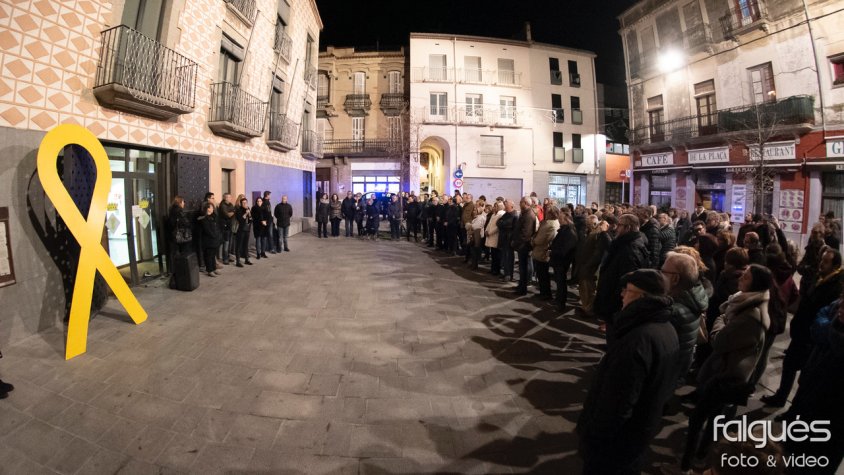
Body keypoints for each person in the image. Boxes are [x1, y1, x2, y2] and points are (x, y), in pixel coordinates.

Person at [577, 269, 680, 474]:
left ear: (643, 297)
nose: (622, 294)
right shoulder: (666, 327)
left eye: (628, 290)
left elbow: (618, 403)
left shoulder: (637, 341)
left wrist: (594, 437)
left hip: (616, 443)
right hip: (640, 432)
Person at [682, 265, 772, 471]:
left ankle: (688, 463)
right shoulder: (743, 301)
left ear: (755, 283)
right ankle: (699, 455)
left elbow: (720, 341)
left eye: (746, 276)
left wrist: (720, 320)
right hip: (723, 370)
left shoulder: (750, 315)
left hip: (724, 375)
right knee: (713, 418)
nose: (741, 277)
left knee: (701, 420)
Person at [762, 248, 843, 408]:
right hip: (802, 332)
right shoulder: (821, 277)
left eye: (826, 261)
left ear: (835, 265)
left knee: (805, 375)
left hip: (812, 336)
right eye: (822, 259)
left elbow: (824, 313)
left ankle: (793, 409)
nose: (821, 263)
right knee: (790, 366)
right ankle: (781, 397)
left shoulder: (835, 286)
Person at [781, 295, 844, 474]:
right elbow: (817, 324)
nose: (840, 307)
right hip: (808, 399)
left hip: (830, 421)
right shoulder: (835, 315)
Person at [594, 213, 650, 336]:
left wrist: (617, 298)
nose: (616, 228)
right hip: (614, 293)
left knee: (616, 331)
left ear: (628, 228)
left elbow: (626, 278)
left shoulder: (629, 249)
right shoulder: (626, 243)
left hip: (617, 297)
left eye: (620, 225)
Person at [662, 252, 709, 386]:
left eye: (663, 271)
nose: (660, 274)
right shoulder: (695, 296)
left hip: (667, 369)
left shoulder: (672, 311)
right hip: (679, 366)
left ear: (675, 279)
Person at [578, 217, 611, 318]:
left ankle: (588, 310)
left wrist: (588, 265)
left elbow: (597, 254)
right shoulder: (592, 233)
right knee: (585, 288)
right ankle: (586, 307)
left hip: (590, 266)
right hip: (586, 264)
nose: (588, 225)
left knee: (589, 289)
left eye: (592, 223)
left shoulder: (597, 235)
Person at [550, 208, 578, 311]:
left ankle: (561, 303)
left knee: (561, 283)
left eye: (561, 219)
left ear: (566, 219)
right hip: (559, 260)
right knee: (559, 282)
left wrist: (554, 251)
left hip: (562, 261)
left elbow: (566, 249)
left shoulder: (569, 232)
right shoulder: (565, 229)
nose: (559, 220)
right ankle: (558, 300)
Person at [530, 206, 560, 299]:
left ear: (552, 214)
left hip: (543, 251)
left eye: (548, 212)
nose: (546, 214)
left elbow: (543, 238)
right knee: (541, 273)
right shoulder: (547, 223)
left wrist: (534, 241)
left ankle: (546, 294)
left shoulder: (551, 225)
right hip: (540, 250)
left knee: (543, 274)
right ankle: (543, 292)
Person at [512, 197, 537, 296]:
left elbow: (525, 233)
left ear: (526, 203)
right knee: (522, 268)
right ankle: (521, 285)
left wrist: (517, 243)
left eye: (521, 202)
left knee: (524, 268)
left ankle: (523, 289)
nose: (519, 203)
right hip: (521, 245)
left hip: (524, 245)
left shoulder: (529, 215)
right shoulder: (525, 213)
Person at [167, 195, 192, 273]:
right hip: (181, 235)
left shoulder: (171, 210)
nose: (184, 203)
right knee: (183, 253)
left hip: (174, 235)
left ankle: (175, 270)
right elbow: (185, 223)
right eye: (183, 202)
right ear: (180, 202)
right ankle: (182, 270)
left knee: (176, 253)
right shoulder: (179, 211)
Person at [198, 202, 221, 277]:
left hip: (214, 240)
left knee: (213, 255)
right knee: (208, 255)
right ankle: (209, 270)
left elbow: (217, 227)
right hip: (208, 240)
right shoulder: (204, 218)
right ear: (207, 208)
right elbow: (207, 230)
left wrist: (217, 234)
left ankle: (214, 269)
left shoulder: (213, 216)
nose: (212, 209)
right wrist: (214, 235)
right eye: (211, 207)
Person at [497, 200, 517, 282]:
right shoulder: (506, 214)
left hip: (509, 240)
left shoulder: (514, 215)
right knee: (505, 257)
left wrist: (502, 223)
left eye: (506, 205)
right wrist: (502, 223)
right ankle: (506, 273)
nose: (505, 206)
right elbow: (498, 222)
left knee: (509, 258)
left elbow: (506, 224)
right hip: (504, 239)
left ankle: (509, 275)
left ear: (511, 206)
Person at [486, 202, 505, 275]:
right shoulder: (494, 214)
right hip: (490, 235)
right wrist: (486, 230)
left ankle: (497, 270)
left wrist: (490, 232)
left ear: (500, 207)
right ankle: (493, 268)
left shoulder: (501, 214)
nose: (494, 207)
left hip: (495, 236)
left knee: (497, 255)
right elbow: (489, 224)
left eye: (496, 206)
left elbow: (498, 227)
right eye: (494, 206)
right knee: (493, 254)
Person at [234, 197, 253, 266]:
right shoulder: (238, 210)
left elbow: (251, 220)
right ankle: (238, 261)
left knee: (246, 245)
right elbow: (240, 220)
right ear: (241, 204)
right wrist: (245, 214)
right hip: (241, 230)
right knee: (239, 246)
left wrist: (249, 214)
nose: (245, 204)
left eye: (246, 203)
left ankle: (246, 260)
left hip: (247, 229)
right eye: (244, 203)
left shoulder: (248, 209)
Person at [218, 193, 235, 265]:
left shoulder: (230, 204)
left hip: (230, 225)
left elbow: (232, 213)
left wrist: (232, 212)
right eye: (228, 197)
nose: (230, 198)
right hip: (224, 226)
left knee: (230, 242)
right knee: (226, 242)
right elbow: (228, 215)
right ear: (225, 198)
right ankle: (225, 258)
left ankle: (228, 256)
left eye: (230, 197)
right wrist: (233, 211)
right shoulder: (222, 205)